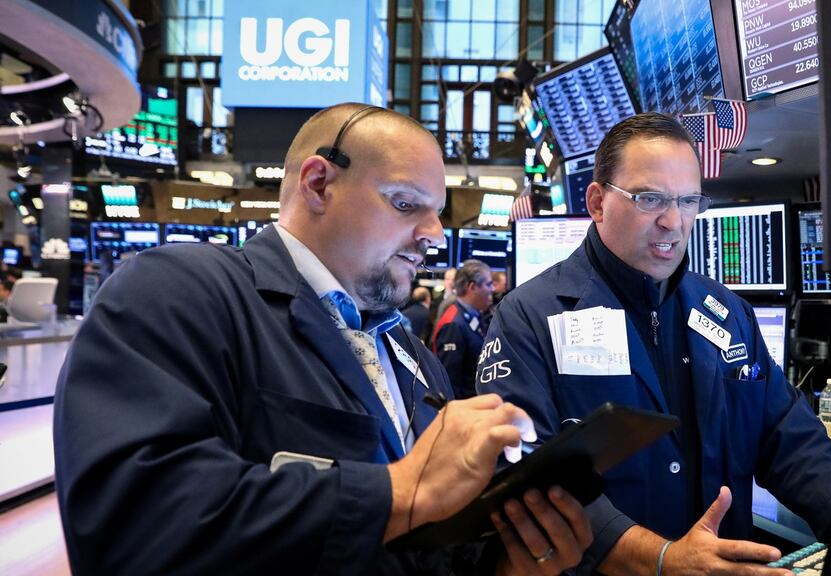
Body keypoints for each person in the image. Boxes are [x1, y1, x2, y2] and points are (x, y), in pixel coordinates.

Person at [53, 103, 591, 575]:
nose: (434, 234)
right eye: (406, 204)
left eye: (436, 213)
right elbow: (134, 527)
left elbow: (425, 546)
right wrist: (402, 491)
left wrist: (505, 565)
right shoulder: (180, 291)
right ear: (318, 184)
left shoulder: (412, 356)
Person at [477, 112, 831, 574]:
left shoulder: (728, 312)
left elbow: (790, 440)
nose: (673, 222)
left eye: (689, 201)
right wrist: (659, 559)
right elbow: (526, 476)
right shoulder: (529, 317)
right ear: (597, 202)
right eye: (649, 199)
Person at [433, 259, 494, 400]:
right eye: (488, 284)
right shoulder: (453, 324)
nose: (492, 289)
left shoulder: (473, 315)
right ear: (472, 287)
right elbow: (449, 383)